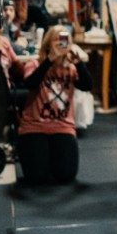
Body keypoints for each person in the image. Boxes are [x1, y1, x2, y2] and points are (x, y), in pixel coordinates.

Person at [17, 26, 90, 185]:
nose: (61, 44)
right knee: (36, 178)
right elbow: (30, 84)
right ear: (48, 43)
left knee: (66, 175)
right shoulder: (34, 64)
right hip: (35, 126)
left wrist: (79, 63)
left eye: (65, 40)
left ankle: (50, 157)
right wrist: (49, 59)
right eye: (57, 40)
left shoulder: (71, 68)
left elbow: (87, 85)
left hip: (62, 126)